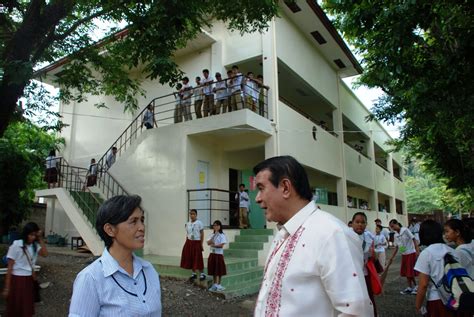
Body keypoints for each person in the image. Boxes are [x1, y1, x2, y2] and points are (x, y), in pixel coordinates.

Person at [253, 156, 373, 316]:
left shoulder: (332, 234)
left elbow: (356, 311)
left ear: (285, 187)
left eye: (261, 188)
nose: (257, 198)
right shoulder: (282, 234)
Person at [69, 195, 162, 316]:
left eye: (142, 220)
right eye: (133, 221)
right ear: (110, 230)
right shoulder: (91, 278)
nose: (142, 227)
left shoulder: (149, 270)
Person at [3, 222, 48, 317]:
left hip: (29, 279)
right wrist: (7, 287)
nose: (32, 237)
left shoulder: (34, 246)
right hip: (17, 279)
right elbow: (10, 267)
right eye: (30, 235)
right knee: (15, 307)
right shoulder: (16, 245)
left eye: (34, 235)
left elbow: (45, 254)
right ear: (26, 233)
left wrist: (40, 238)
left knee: (26, 308)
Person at [415, 220, 456, 317]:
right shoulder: (451, 250)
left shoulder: (426, 253)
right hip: (454, 297)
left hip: (436, 299)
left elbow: (423, 284)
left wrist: (418, 306)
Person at [352, 212, 377, 317]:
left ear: (366, 224)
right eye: (357, 222)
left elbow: (372, 259)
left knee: (368, 298)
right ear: (352, 223)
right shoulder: (345, 236)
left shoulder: (368, 239)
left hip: (365, 274)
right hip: (351, 275)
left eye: (363, 222)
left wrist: (373, 255)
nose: (360, 225)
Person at [388, 219, 420, 295]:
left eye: (393, 226)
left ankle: (416, 286)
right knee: (407, 272)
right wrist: (392, 257)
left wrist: (417, 250)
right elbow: (397, 247)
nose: (393, 228)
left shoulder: (405, 230)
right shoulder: (396, 234)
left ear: (397, 224)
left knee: (411, 272)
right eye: (391, 227)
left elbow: (413, 238)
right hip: (404, 254)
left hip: (411, 252)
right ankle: (410, 287)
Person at [180, 209, 206, 282]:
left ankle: (202, 273)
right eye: (191, 214)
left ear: (196, 215)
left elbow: (202, 233)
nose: (192, 215)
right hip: (189, 242)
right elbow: (188, 233)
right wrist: (186, 242)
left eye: (193, 214)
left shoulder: (199, 223)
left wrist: (201, 244)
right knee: (190, 257)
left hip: (196, 242)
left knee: (198, 257)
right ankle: (193, 273)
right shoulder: (187, 224)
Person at [207, 220, 227, 292]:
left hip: (219, 254)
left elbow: (221, 245)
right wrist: (214, 235)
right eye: (214, 225)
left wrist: (214, 245)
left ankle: (219, 284)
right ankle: (215, 284)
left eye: (217, 225)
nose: (215, 226)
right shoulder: (211, 235)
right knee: (213, 270)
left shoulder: (222, 235)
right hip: (212, 254)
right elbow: (208, 243)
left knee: (219, 270)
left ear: (220, 226)